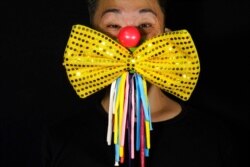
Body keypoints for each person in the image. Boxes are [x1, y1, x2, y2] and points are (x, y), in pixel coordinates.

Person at [41, 0, 237, 166]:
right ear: (92, 37)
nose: (131, 39)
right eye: (113, 25)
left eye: (145, 25)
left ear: (166, 33)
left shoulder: (217, 139)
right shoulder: (59, 140)